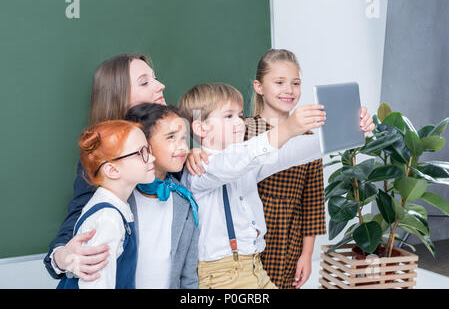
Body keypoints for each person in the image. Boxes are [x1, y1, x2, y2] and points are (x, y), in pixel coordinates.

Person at [178, 83, 328, 288]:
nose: (240, 122)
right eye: (228, 116)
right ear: (201, 127)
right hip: (222, 276)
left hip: (254, 266)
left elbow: (288, 153)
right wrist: (287, 128)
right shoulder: (199, 168)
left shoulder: (245, 162)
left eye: (240, 115)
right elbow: (231, 163)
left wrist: (344, 133)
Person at [248, 49, 374, 288]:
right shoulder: (243, 130)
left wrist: (306, 255)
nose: (289, 90)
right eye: (279, 82)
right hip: (252, 238)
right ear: (259, 86)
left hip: (289, 241)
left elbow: (312, 202)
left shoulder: (308, 140)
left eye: (295, 83)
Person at [44, 53, 166, 281]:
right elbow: (76, 222)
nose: (161, 86)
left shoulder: (171, 151)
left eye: (155, 78)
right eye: (144, 82)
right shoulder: (102, 160)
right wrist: (62, 256)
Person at [57, 120, 155, 288]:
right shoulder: (108, 220)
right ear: (112, 170)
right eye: (141, 152)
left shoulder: (116, 207)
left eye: (149, 148)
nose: (152, 157)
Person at [124, 103, 199, 288]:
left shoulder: (185, 200)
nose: (182, 146)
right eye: (171, 137)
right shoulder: (122, 197)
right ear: (143, 145)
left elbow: (188, 274)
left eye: (183, 138)